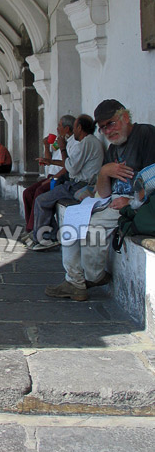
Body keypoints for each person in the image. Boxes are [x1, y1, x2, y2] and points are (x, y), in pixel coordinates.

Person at [46, 100, 155, 301]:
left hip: (138, 204)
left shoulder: (145, 135)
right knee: (71, 219)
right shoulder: (114, 148)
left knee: (93, 227)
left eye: (111, 123)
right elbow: (104, 193)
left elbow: (152, 180)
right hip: (112, 201)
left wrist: (131, 203)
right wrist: (105, 172)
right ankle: (74, 281)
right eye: (102, 127)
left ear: (125, 117)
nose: (107, 131)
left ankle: (93, 277)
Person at [28, 114, 104, 250]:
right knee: (44, 198)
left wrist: (62, 148)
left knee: (42, 200)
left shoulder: (87, 142)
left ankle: (48, 237)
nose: (73, 131)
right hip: (77, 183)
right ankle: (47, 234)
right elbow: (71, 165)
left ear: (80, 128)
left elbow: (71, 168)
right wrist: (51, 159)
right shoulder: (88, 142)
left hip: (80, 185)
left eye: (75, 127)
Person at [22, 115, 75, 240]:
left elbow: (69, 166)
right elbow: (50, 159)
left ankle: (39, 230)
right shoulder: (60, 141)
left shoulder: (73, 144)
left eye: (60, 126)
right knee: (27, 193)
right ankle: (31, 228)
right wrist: (46, 146)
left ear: (67, 128)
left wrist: (52, 179)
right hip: (52, 175)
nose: (57, 128)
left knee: (40, 193)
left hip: (61, 177)